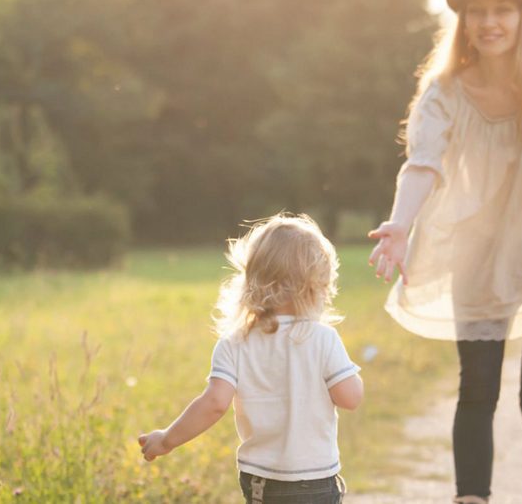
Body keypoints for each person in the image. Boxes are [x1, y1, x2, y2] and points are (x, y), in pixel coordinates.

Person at [367, 0, 522, 504]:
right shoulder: (444, 88)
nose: (488, 22)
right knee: (477, 392)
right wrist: (400, 225)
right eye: (477, 12)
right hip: (474, 249)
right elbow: (422, 164)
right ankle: (471, 499)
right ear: (464, 20)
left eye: (501, 11)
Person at [139, 213, 364, 504]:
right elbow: (351, 398)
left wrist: (167, 439)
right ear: (315, 286)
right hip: (315, 480)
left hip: (262, 480)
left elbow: (214, 404)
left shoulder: (235, 342)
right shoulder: (322, 338)